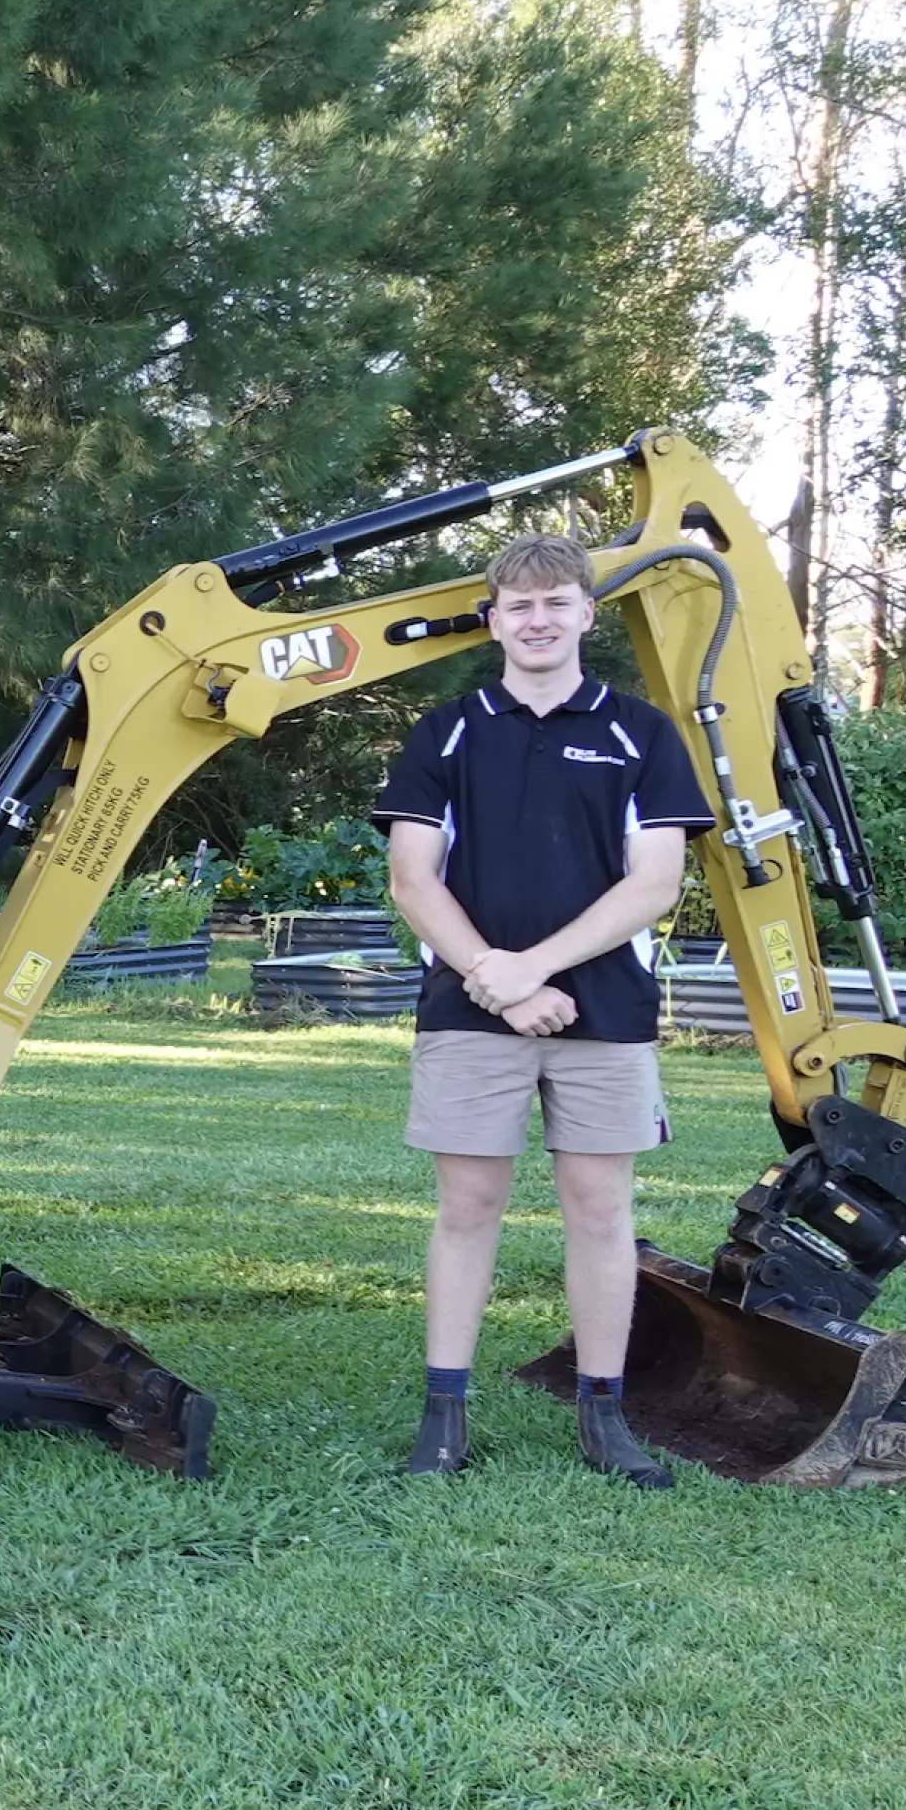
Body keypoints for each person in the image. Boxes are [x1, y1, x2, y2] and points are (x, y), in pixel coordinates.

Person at [372, 529, 711, 1487]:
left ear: (585, 615)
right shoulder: (446, 729)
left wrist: (531, 971)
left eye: (556, 602)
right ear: (492, 621)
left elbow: (653, 886)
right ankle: (445, 1418)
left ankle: (605, 1416)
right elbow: (412, 878)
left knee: (601, 1211)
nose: (537, 619)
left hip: (605, 1011)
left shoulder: (639, 731)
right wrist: (494, 976)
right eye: (518, 605)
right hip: (468, 1010)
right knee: (467, 1206)